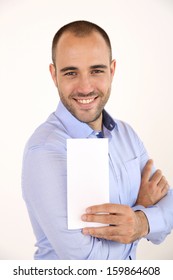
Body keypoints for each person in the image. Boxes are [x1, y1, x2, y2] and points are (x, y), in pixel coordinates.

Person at [22, 20, 173, 260]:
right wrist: (143, 210)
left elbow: (170, 205)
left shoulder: (127, 135)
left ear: (112, 71)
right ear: (54, 75)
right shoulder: (45, 150)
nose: (85, 87)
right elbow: (88, 262)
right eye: (71, 72)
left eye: (96, 70)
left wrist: (140, 222)